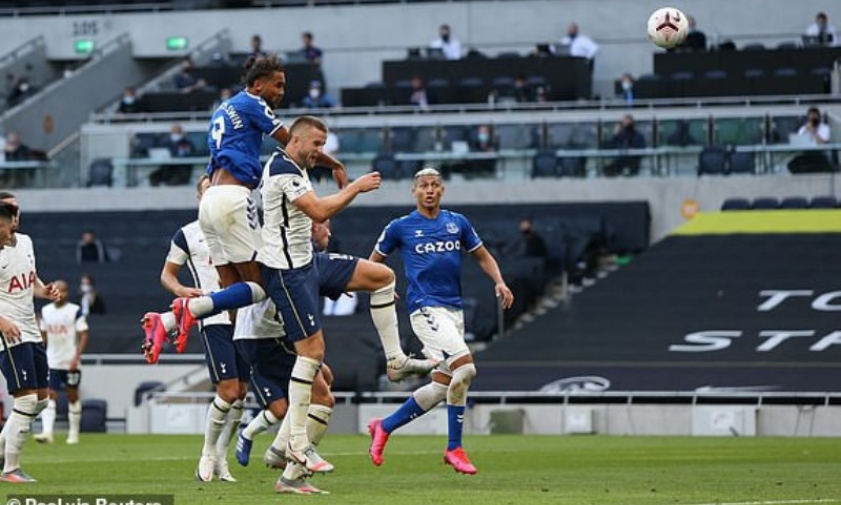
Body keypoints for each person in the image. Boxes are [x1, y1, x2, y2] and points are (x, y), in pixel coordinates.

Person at [140, 54, 346, 364]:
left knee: (233, 292)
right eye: (277, 85)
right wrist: (333, 162)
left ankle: (168, 323)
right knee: (260, 286)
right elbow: (293, 143)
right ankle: (183, 313)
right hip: (234, 198)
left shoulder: (222, 110)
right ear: (258, 84)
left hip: (210, 199)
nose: (281, 92)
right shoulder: (252, 102)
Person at [259, 116, 436, 473]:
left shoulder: (293, 161)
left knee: (383, 276)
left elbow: (316, 176)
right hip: (288, 272)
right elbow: (319, 211)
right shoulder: (283, 170)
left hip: (310, 261)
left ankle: (396, 362)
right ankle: (295, 443)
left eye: (324, 146)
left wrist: (334, 164)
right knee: (312, 354)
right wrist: (354, 187)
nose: (320, 152)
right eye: (317, 145)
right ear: (296, 142)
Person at [367, 167, 514, 475]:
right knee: (467, 369)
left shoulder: (456, 223)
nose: (430, 190)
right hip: (424, 310)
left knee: (440, 388)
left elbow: (483, 255)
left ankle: (385, 426)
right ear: (414, 192)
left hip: (453, 311)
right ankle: (454, 448)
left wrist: (499, 281)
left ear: (442, 191)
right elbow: (372, 262)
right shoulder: (400, 227)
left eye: (435, 185)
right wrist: (378, 286)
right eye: (424, 186)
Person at [155, 174, 248, 482]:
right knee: (228, 389)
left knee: (242, 394)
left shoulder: (240, 228)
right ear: (200, 198)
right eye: (208, 191)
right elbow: (167, 275)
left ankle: (222, 457)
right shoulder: (187, 234)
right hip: (214, 318)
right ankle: (208, 453)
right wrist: (182, 291)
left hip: (246, 318)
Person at [232, 299, 335, 495]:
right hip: (268, 332)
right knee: (322, 399)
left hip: (252, 332)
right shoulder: (282, 269)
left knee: (321, 384)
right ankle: (291, 476)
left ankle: (279, 449)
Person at [0, 191, 59, 482]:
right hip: (8, 332)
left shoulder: (26, 242)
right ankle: (10, 469)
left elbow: (30, 279)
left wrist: (45, 291)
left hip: (30, 328)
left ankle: (2, 447)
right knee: (26, 400)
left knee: (42, 400)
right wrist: (1, 322)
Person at [34, 280, 88, 445]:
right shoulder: (45, 310)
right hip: (52, 360)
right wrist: (40, 354)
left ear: (68, 293)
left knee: (72, 396)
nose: (60, 294)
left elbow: (84, 334)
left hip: (70, 361)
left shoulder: (75, 310)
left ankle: (73, 433)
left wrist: (77, 357)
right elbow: (43, 335)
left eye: (63, 291)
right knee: (50, 395)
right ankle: (47, 432)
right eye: (57, 290)